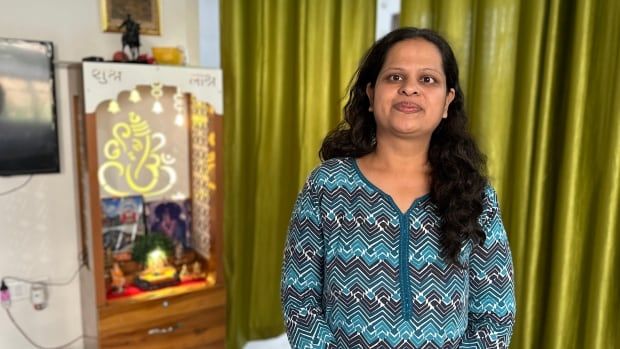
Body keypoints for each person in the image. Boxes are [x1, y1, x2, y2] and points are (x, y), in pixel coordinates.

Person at [281, 27, 516, 348]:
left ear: (448, 101)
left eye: (428, 80)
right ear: (370, 93)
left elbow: (495, 313)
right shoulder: (326, 185)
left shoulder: (474, 192)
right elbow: (299, 298)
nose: (410, 89)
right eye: (395, 77)